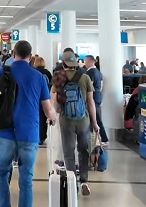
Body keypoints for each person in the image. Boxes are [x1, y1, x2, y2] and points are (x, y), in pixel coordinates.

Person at [0, 41, 58, 207]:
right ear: (30, 57)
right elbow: (47, 107)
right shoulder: (38, 77)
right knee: (26, 179)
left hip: (5, 130)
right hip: (29, 132)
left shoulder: (2, 72)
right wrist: (53, 117)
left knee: (2, 174)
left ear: (14, 53)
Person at [53, 52, 100, 197]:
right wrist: (95, 122)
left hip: (66, 120)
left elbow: (54, 102)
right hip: (83, 120)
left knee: (68, 152)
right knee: (83, 150)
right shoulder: (85, 77)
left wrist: (54, 114)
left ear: (64, 63)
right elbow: (91, 102)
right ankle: (84, 181)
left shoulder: (58, 77)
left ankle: (72, 183)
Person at [82, 55, 108, 144]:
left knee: (96, 118)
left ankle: (104, 138)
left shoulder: (90, 73)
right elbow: (101, 85)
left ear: (90, 62)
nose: (84, 63)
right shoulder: (98, 72)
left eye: (85, 61)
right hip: (98, 96)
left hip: (92, 97)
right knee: (96, 116)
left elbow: (89, 86)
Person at [33, 56, 53, 144]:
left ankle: (36, 136)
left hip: (35, 98)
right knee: (44, 117)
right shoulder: (48, 73)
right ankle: (43, 136)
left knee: (36, 117)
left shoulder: (34, 73)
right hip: (46, 97)